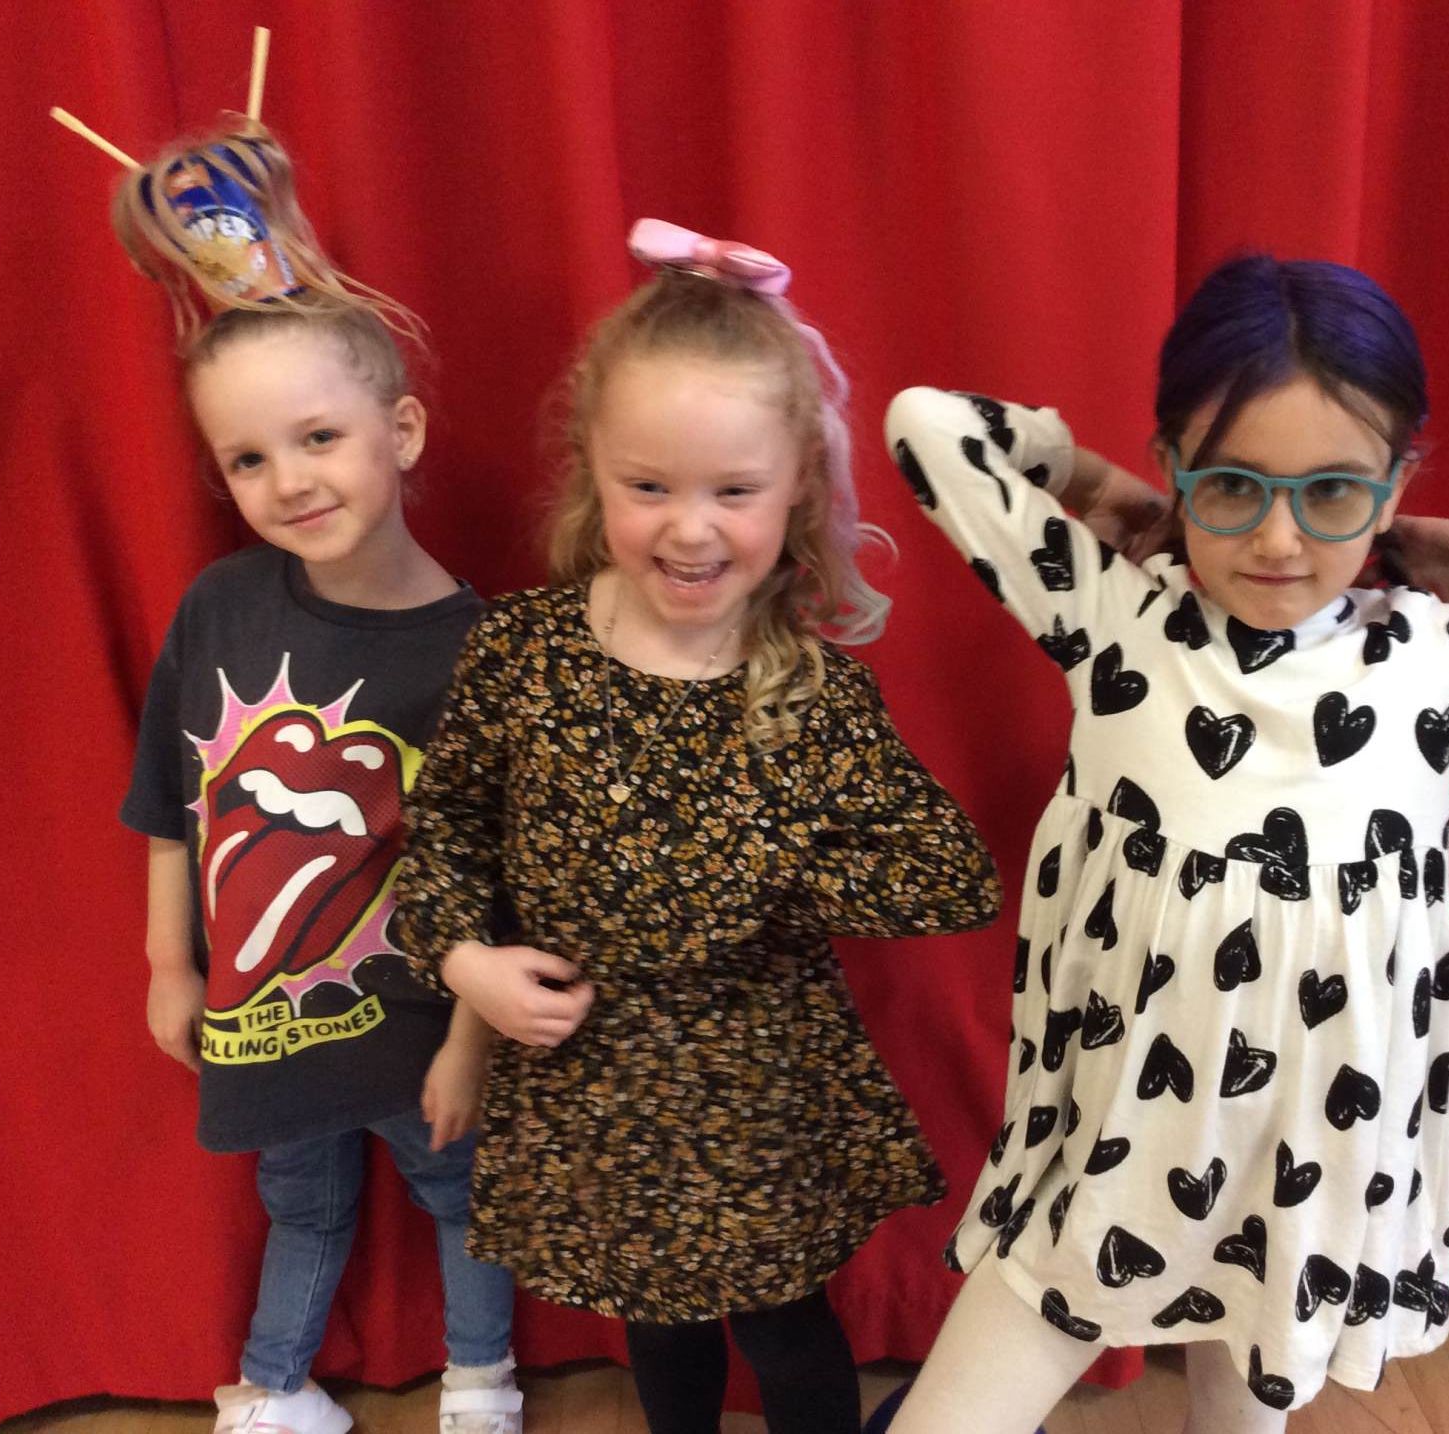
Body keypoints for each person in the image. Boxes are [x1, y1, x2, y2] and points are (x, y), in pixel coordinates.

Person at [880, 253, 1449, 1432]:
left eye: (1334, 493)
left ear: (1397, 485)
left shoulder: (1446, 657)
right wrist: (1111, 492)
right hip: (1117, 1141)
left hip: (1306, 1161)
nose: (1279, 538)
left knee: (1243, 1401)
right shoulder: (1111, 616)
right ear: (1176, 464)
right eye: (1232, 486)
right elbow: (929, 426)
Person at [389, 220, 1003, 1434]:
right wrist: (467, 972)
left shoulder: (812, 693)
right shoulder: (521, 653)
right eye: (650, 487)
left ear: (797, 488)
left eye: (734, 491)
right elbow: (447, 835)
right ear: (591, 469)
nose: (690, 529)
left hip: (757, 1094)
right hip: (592, 1088)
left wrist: (765, 866)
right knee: (657, 1328)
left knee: (781, 1329)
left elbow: (952, 877)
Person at [112, 124, 520, 1434]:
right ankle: (278, 1391)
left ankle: (481, 1385)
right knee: (299, 1198)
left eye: (320, 437)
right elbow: (169, 808)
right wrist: (169, 967)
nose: (288, 481)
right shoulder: (218, 606)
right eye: (247, 459)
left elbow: (500, 876)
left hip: (421, 1016)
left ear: (401, 430)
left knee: (460, 1193)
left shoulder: (480, 648)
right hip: (266, 1013)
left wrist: (471, 1036)